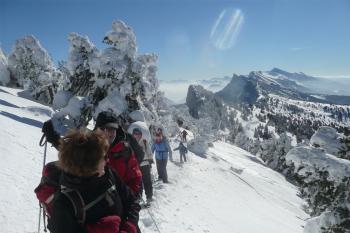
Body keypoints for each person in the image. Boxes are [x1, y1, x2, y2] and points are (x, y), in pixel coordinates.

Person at [47, 129, 140, 233]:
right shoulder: (65, 203)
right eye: (104, 157)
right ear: (89, 164)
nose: (108, 160)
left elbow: (132, 201)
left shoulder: (109, 174)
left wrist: (129, 225)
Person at [42, 111, 143, 194]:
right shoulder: (90, 146)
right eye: (105, 129)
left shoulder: (124, 150)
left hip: (119, 201)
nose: (109, 133)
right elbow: (71, 152)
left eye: (113, 129)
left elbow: (135, 177)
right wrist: (54, 138)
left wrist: (131, 200)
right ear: (97, 129)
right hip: (93, 200)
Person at [131, 128, 154, 204]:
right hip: (136, 165)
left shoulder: (144, 142)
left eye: (139, 134)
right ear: (133, 135)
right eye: (135, 134)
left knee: (147, 181)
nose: (137, 136)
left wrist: (150, 161)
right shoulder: (131, 143)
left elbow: (149, 152)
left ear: (141, 134)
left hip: (145, 164)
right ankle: (138, 197)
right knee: (138, 182)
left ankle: (149, 198)